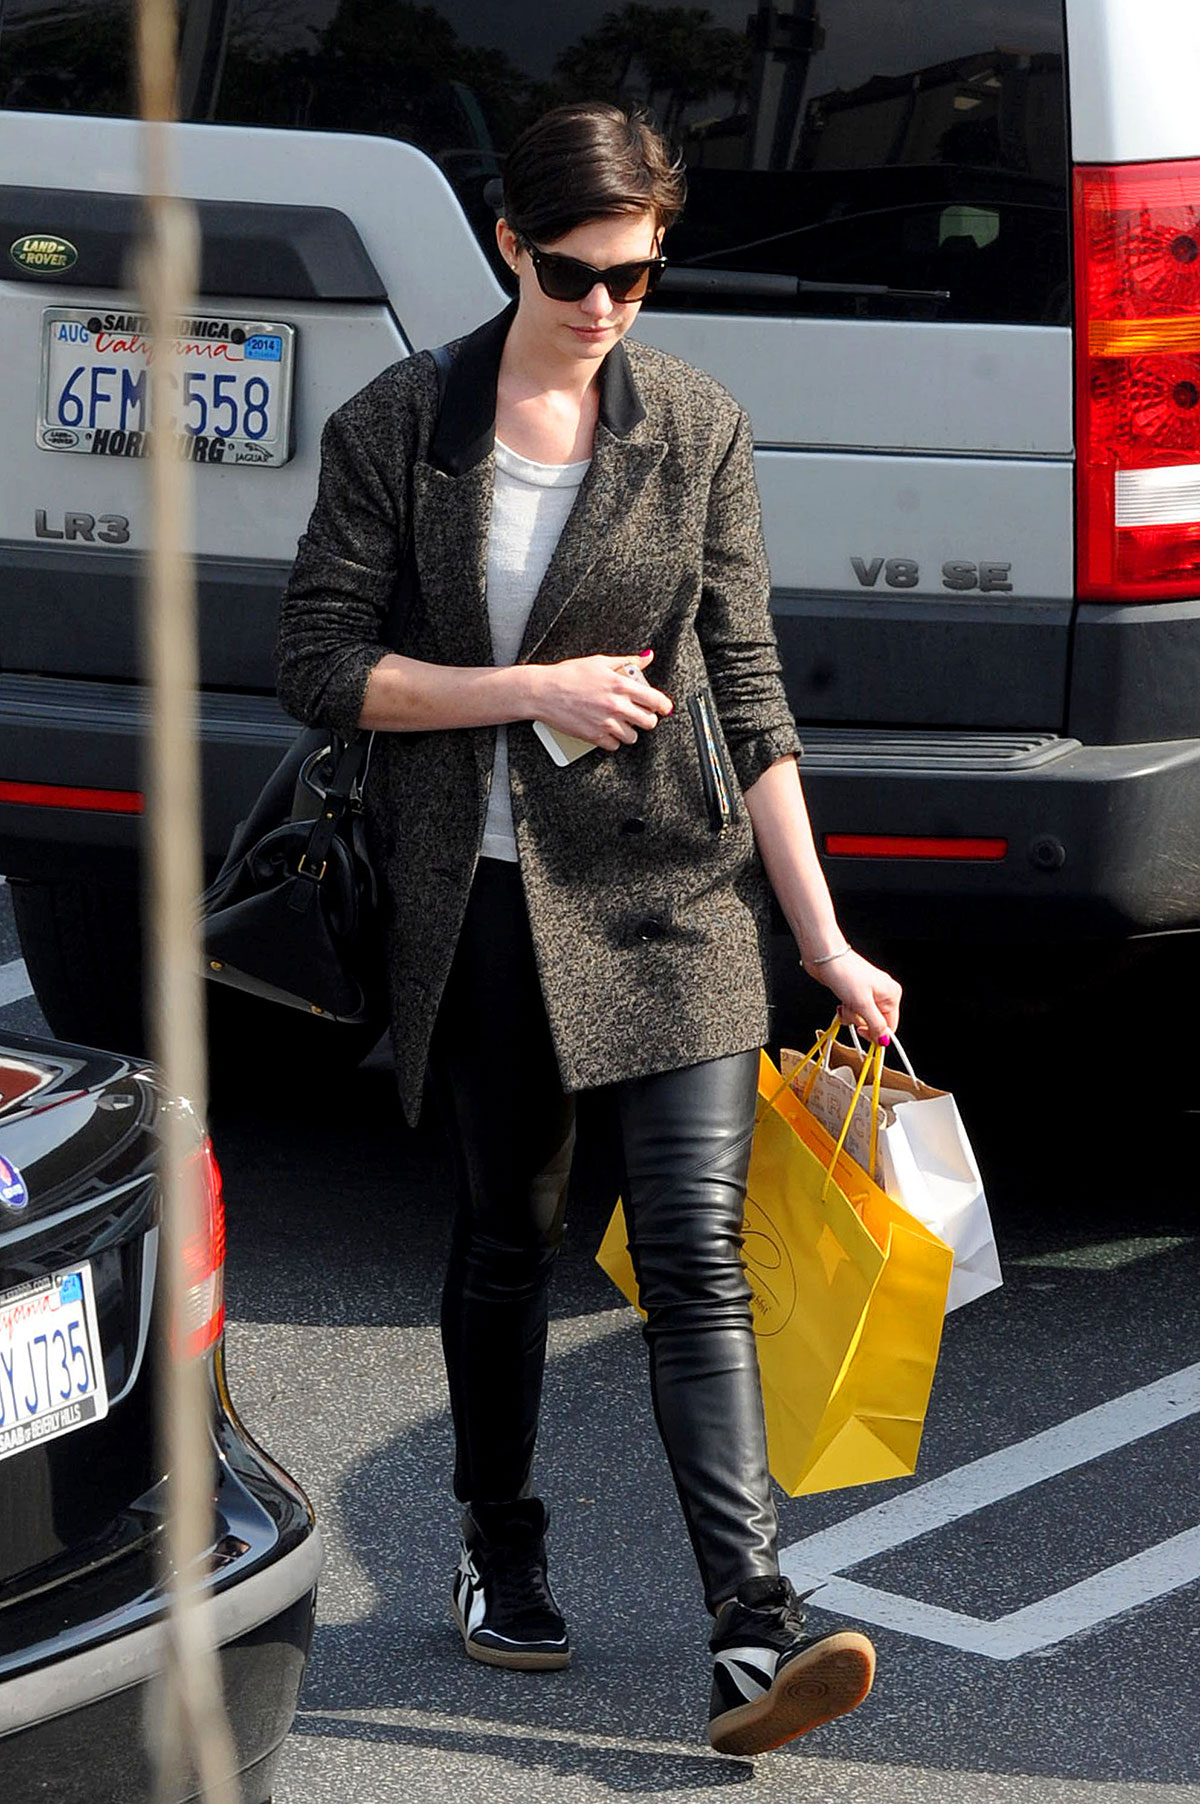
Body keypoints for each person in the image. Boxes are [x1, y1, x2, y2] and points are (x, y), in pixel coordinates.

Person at [276, 101, 901, 1757]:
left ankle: (753, 1638)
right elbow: (321, 667)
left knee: (700, 1265)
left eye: (637, 274)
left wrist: (824, 941)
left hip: (673, 892)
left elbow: (752, 697)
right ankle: (501, 1544)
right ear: (508, 243)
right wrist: (526, 690)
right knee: (507, 1240)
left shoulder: (693, 425)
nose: (609, 305)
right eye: (576, 272)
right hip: (480, 900)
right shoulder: (402, 425)